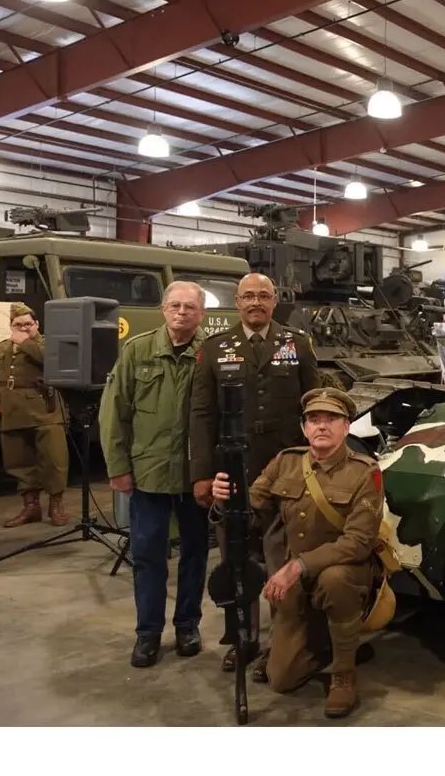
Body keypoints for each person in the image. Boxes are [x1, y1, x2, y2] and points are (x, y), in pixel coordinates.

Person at [211, 387, 383, 718]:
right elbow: (251, 514)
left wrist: (297, 567)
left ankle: (344, 674)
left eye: (331, 419)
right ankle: (325, 645)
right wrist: (225, 502)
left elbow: (359, 542)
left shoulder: (364, 472)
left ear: (346, 426)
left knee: (335, 579)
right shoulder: (285, 463)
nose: (321, 426)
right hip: (291, 583)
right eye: (313, 419)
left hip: (342, 573)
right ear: (304, 428)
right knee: (282, 680)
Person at [189, 272, 322, 677]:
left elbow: (313, 406)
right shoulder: (215, 349)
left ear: (274, 299)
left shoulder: (296, 344)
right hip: (235, 469)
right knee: (236, 557)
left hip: (285, 467)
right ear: (237, 300)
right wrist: (201, 475)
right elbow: (201, 415)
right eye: (248, 296)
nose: (255, 303)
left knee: (282, 553)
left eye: (263, 296)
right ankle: (241, 639)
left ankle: (283, 642)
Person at [98, 281, 211, 668]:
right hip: (147, 473)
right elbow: (114, 414)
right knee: (147, 556)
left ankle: (187, 626)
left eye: (190, 308)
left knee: (196, 553)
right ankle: (147, 633)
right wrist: (118, 468)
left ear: (202, 315)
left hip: (196, 476)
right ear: (164, 309)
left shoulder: (210, 355)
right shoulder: (137, 350)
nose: (182, 313)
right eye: (175, 306)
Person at [0, 302, 69, 527]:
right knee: (19, 461)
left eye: (28, 324)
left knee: (53, 459)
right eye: (18, 325)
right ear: (11, 326)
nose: (23, 328)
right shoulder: (0, 348)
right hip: (11, 411)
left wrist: (26, 344)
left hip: (44, 409)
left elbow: (54, 364)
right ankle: (31, 507)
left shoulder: (47, 344)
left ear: (37, 324)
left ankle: (56, 506)